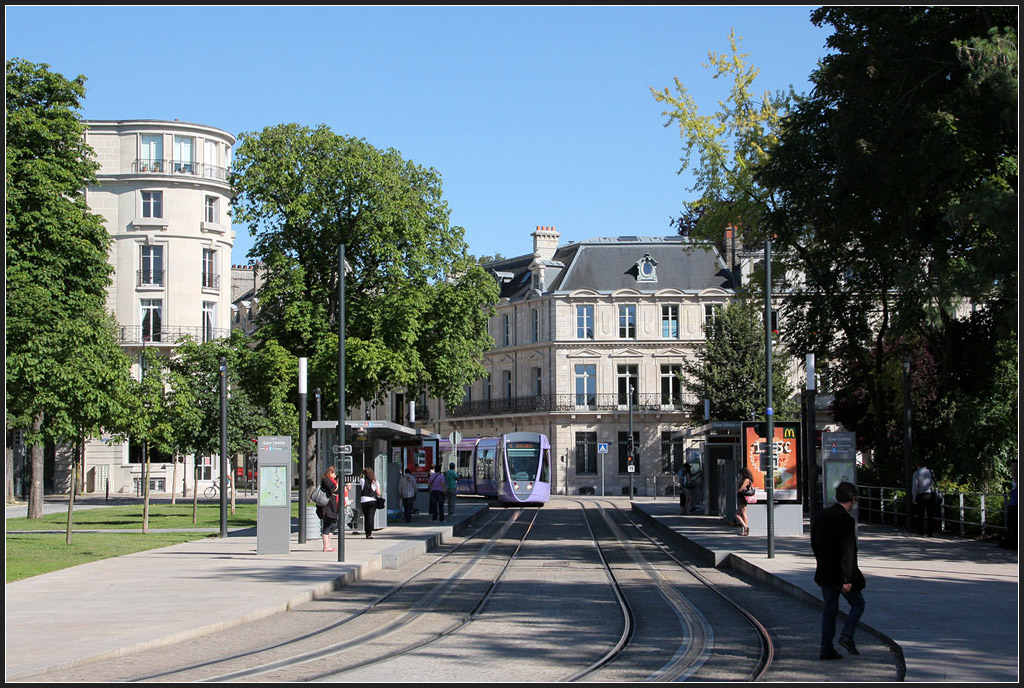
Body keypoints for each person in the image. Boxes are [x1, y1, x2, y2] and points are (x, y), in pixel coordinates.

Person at [811, 481, 866, 661]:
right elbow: (847, 551)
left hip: (825, 573)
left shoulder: (821, 516)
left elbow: (814, 544)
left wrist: (821, 563)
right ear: (852, 499)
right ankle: (847, 635)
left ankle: (826, 648)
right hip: (840, 575)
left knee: (830, 610)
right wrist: (846, 578)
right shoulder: (846, 520)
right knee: (858, 603)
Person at [316, 466, 340, 552]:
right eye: (333, 473)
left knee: (333, 525)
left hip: (332, 507)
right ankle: (326, 545)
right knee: (327, 525)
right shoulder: (326, 480)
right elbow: (332, 489)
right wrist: (336, 485)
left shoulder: (331, 481)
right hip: (327, 507)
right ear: (330, 473)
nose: (335, 475)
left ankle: (328, 544)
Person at [911, 459, 938, 536]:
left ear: (917, 465)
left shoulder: (916, 473)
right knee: (930, 514)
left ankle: (921, 531)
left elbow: (915, 486)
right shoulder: (930, 472)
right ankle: (930, 531)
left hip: (921, 495)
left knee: (920, 514)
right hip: (929, 494)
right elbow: (932, 483)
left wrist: (914, 497)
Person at [358, 467, 381, 539]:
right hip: (372, 500)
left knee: (366, 517)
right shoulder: (375, 482)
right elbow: (378, 493)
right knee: (371, 517)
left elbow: (360, 477)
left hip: (364, 500)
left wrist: (363, 472)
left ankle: (366, 532)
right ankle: (369, 534)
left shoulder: (363, 481)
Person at [1001, 459, 1017, 550]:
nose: (1014, 468)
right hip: (1013, 504)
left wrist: (1014, 475)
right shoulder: (1014, 477)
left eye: (1015, 466)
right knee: (1011, 524)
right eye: (1012, 466)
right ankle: (1011, 542)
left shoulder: (1016, 476)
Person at [736, 467, 754, 536]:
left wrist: (738, 489)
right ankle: (745, 530)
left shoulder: (746, 480)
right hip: (743, 498)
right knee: (743, 513)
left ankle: (746, 528)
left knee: (737, 514)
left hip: (743, 498)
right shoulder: (749, 480)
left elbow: (740, 489)